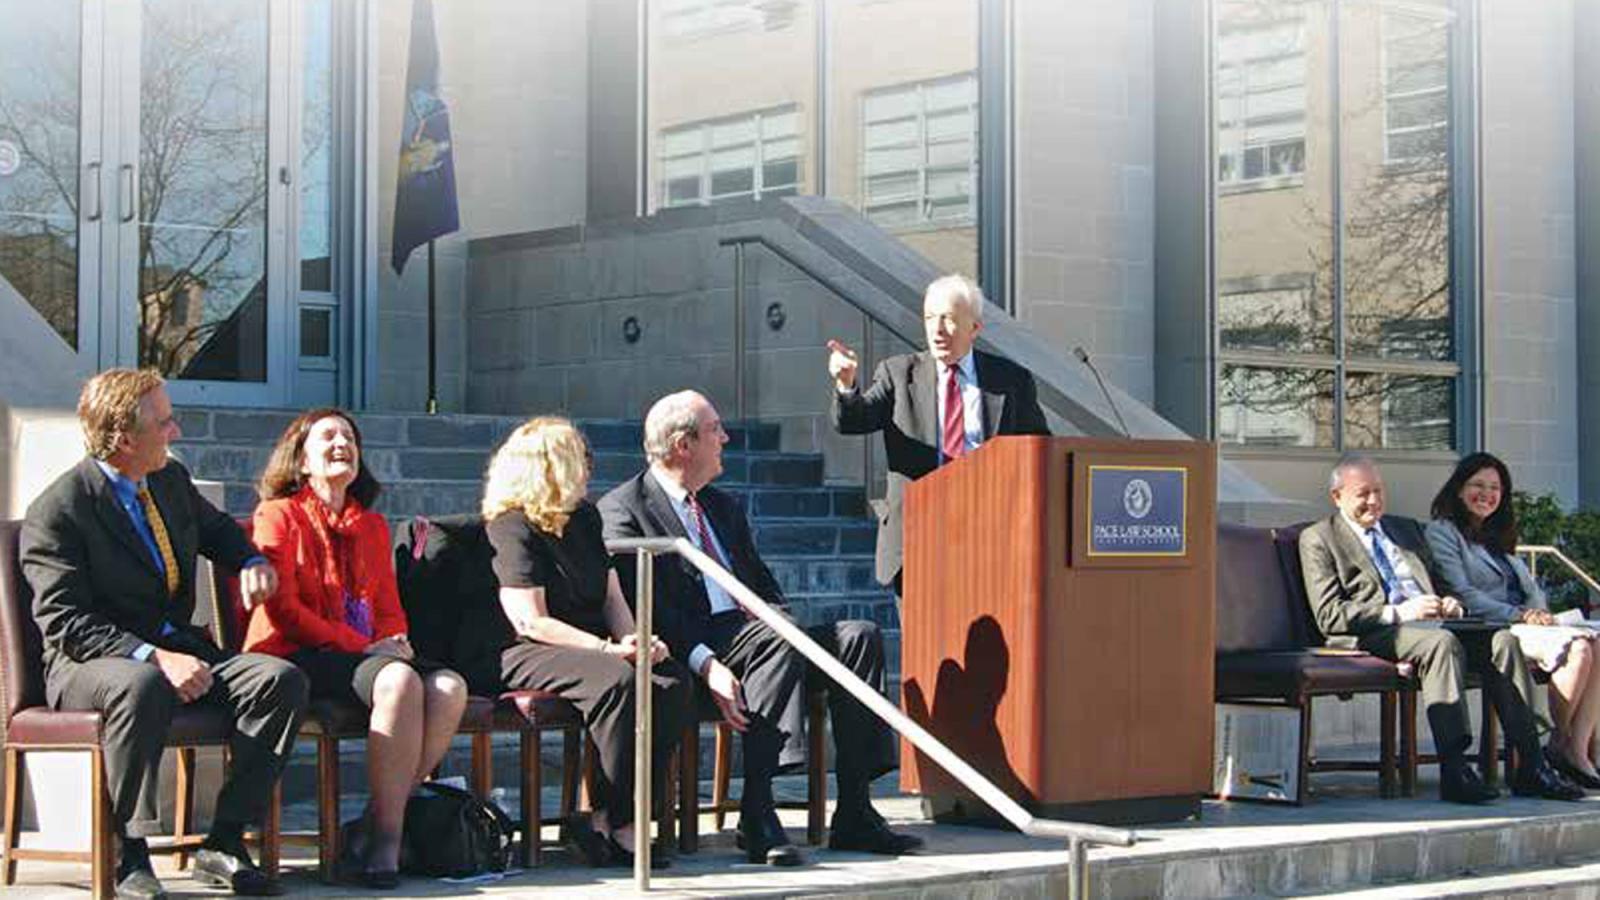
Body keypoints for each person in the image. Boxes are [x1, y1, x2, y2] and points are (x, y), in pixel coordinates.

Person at [599, 390, 922, 866]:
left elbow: (762, 585)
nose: (725, 438)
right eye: (715, 431)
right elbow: (650, 612)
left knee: (857, 637)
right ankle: (758, 809)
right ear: (683, 445)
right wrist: (706, 664)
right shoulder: (624, 510)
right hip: (698, 645)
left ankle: (855, 811)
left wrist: (781, 620)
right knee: (777, 639)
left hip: (760, 635)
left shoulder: (722, 507)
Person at [21, 369, 308, 899]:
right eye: (165, 421)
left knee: (278, 680)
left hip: (176, 646)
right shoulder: (59, 512)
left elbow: (219, 531)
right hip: (89, 664)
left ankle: (222, 842)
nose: (175, 431)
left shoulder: (169, 482)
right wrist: (152, 656)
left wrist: (250, 560)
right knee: (142, 684)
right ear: (124, 438)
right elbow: (65, 623)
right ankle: (128, 852)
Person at [246, 409, 469, 888]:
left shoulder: (371, 526)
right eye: (327, 436)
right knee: (397, 679)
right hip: (294, 652)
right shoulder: (277, 515)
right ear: (301, 460)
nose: (341, 442)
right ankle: (387, 841)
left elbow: (387, 603)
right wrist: (367, 647)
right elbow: (283, 609)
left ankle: (372, 823)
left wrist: (396, 640)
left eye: (348, 436)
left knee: (449, 687)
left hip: (362, 652)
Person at [1297, 454, 1582, 804]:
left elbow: (1443, 584)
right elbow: (1329, 615)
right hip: (1378, 631)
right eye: (1363, 494)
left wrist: (1450, 603)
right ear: (1337, 497)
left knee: (1503, 641)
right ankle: (1455, 768)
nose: (1374, 501)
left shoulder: (1405, 530)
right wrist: (1398, 612)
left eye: (1379, 491)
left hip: (1434, 622)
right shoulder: (1318, 538)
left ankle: (1532, 764)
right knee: (1441, 644)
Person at [472, 417, 691, 868]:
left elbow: (611, 595)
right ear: (551, 466)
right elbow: (529, 619)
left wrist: (635, 638)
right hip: (523, 647)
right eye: (581, 458)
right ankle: (607, 821)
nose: (590, 467)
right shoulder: (511, 525)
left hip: (589, 643)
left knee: (668, 680)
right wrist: (608, 650)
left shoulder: (585, 517)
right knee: (615, 680)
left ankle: (617, 816)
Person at [827, 273, 1049, 593]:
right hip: (918, 538)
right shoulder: (898, 373)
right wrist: (846, 384)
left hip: (990, 540)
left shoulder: (1010, 379)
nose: (937, 329)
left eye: (948, 319)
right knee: (923, 643)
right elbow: (854, 420)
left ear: (975, 328)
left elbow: (1040, 451)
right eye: (930, 318)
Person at [1427, 452, 1600, 790]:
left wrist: (1538, 614)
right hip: (1490, 629)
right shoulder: (1443, 532)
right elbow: (1463, 593)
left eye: (1495, 488)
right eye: (1477, 485)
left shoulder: (1496, 536)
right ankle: (1556, 745)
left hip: (1527, 625)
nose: (1486, 494)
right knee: (1578, 650)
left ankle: (1578, 750)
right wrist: (1520, 615)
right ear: (1459, 489)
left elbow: (1531, 589)